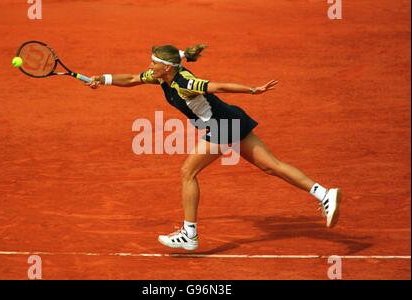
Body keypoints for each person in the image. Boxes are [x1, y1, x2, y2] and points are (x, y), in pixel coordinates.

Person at [87, 44, 341, 251]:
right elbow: (131, 78)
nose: (149, 66)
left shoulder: (184, 83)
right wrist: (103, 79)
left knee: (188, 172)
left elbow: (217, 86)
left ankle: (189, 234)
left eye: (153, 63)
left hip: (222, 126)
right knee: (271, 166)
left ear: (166, 67)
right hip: (231, 118)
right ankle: (323, 193)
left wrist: (253, 90)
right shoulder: (163, 76)